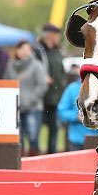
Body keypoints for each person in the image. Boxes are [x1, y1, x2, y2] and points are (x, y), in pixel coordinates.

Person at [4, 39, 49, 156]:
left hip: (33, 107)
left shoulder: (36, 65)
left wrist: (31, 99)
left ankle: (34, 162)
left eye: (26, 49)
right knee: (18, 137)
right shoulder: (10, 65)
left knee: (33, 135)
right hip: (16, 107)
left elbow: (42, 85)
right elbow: (6, 82)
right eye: (21, 49)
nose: (23, 52)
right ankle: (21, 161)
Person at [34, 23, 67, 154]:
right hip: (40, 98)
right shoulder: (37, 51)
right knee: (35, 130)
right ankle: (34, 156)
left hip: (55, 98)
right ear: (49, 35)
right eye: (56, 34)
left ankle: (51, 154)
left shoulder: (57, 51)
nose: (58, 37)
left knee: (54, 129)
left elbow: (61, 71)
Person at [57, 67, 98, 151]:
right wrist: (76, 116)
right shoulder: (72, 88)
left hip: (97, 140)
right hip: (76, 141)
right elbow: (61, 112)